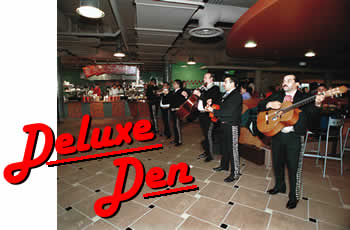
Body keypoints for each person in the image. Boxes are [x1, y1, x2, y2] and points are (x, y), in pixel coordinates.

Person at [257, 74, 325, 209]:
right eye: (283, 80)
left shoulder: (304, 98)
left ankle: (294, 196)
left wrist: (317, 104)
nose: (285, 83)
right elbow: (260, 105)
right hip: (277, 134)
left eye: (289, 80)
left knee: (294, 168)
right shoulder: (277, 95)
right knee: (277, 163)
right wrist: (269, 104)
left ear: (297, 84)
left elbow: (314, 117)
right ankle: (279, 186)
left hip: (294, 137)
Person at [206, 76, 242, 182]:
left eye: (226, 82)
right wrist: (211, 104)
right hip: (224, 124)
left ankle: (235, 173)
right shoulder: (226, 94)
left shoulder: (236, 95)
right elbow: (221, 107)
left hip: (232, 125)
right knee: (224, 147)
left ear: (233, 84)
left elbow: (229, 111)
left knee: (233, 149)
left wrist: (213, 110)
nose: (223, 84)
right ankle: (224, 165)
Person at [192, 73, 221, 162]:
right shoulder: (204, 88)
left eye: (205, 77)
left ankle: (210, 155)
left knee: (209, 135)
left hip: (209, 115)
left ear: (211, 79)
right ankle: (207, 151)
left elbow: (209, 100)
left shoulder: (215, 88)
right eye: (204, 77)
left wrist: (200, 94)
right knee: (205, 135)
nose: (204, 79)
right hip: (202, 114)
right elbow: (199, 99)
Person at [162, 79, 187, 146]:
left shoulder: (181, 91)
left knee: (177, 126)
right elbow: (166, 101)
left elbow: (182, 100)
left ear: (178, 85)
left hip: (178, 110)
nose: (173, 85)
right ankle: (176, 139)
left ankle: (179, 141)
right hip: (172, 110)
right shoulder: (173, 92)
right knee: (174, 126)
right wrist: (165, 95)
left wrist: (168, 95)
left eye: (174, 84)